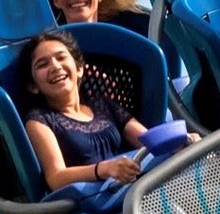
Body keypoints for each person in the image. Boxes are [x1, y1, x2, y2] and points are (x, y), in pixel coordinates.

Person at [21, 29, 149, 190]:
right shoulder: (40, 120)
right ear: (33, 86)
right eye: (42, 64)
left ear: (79, 68)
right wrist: (104, 169)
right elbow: (56, 177)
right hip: (90, 205)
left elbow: (148, 140)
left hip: (132, 191)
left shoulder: (102, 104)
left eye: (61, 57)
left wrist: (180, 140)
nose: (55, 66)